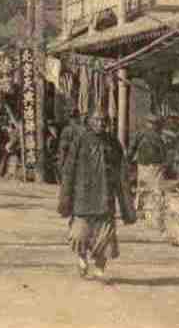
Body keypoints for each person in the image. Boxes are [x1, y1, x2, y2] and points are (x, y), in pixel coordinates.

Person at [58, 112, 136, 281]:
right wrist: (65, 198)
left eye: (103, 120)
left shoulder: (113, 143)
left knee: (105, 235)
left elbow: (121, 172)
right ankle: (82, 257)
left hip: (105, 196)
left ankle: (100, 268)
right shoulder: (80, 141)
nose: (100, 123)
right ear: (89, 121)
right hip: (83, 196)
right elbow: (69, 170)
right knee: (79, 234)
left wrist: (126, 202)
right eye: (97, 120)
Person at [127, 114, 168, 213]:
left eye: (153, 123)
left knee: (146, 186)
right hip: (150, 164)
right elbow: (163, 151)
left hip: (149, 164)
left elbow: (132, 147)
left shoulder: (144, 134)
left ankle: (143, 208)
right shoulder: (156, 136)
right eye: (151, 123)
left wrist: (129, 158)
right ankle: (152, 208)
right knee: (152, 187)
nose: (152, 125)